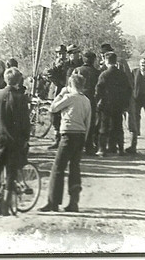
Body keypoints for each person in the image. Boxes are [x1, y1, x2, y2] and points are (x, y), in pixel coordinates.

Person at [38, 71, 91, 213]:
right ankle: (74, 202)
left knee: (58, 168)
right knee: (75, 167)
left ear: (71, 84)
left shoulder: (69, 97)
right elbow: (88, 121)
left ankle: (53, 202)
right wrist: (84, 138)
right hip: (80, 135)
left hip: (68, 134)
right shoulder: (86, 100)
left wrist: (61, 93)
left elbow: (53, 108)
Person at [0, 66, 30, 217]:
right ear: (18, 81)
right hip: (13, 141)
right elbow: (25, 122)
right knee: (10, 174)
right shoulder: (20, 98)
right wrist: (25, 139)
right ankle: (5, 208)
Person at [95, 52, 131, 156]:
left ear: (106, 61)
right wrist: (125, 104)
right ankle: (120, 149)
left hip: (106, 105)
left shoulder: (104, 74)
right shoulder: (122, 74)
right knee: (118, 127)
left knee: (104, 127)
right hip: (118, 105)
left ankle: (102, 149)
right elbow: (128, 90)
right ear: (115, 61)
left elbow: (98, 90)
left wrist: (98, 101)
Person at [76, 51, 100, 154]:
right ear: (93, 60)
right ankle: (89, 145)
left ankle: (78, 146)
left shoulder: (78, 70)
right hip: (92, 100)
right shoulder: (97, 73)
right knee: (90, 123)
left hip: (79, 98)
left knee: (78, 121)